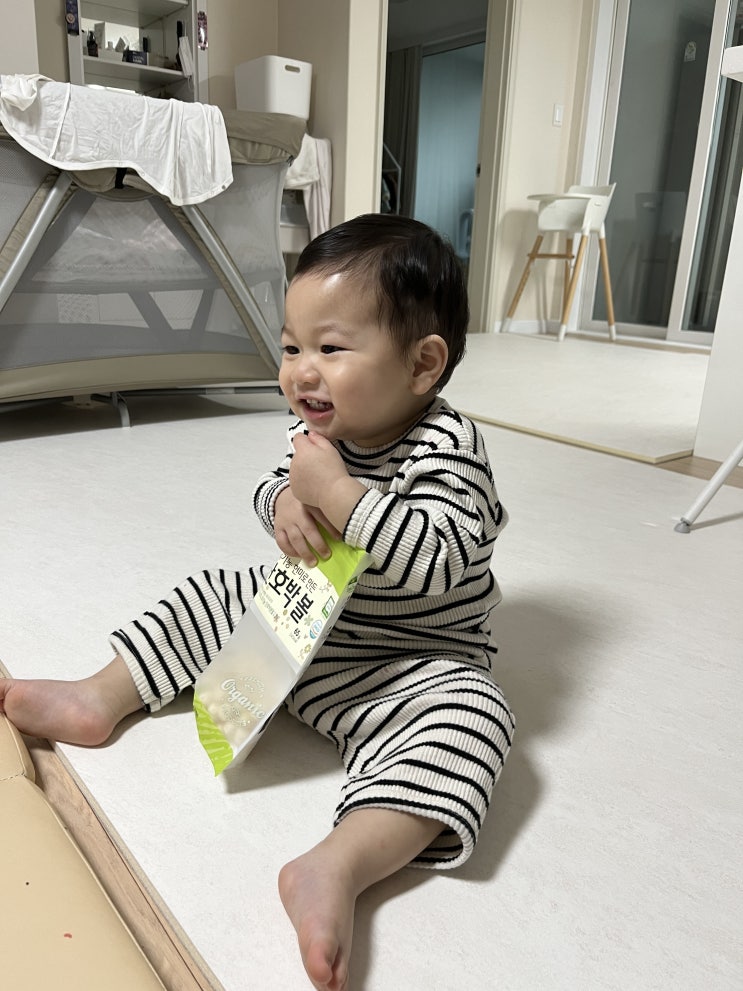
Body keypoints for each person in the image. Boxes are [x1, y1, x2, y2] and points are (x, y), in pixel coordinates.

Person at [0, 214, 515, 991]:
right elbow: (274, 484)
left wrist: (338, 495)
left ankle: (337, 864)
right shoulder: (318, 430)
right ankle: (100, 694)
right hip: (297, 633)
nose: (301, 372)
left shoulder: (450, 452)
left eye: (330, 349)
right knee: (216, 591)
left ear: (422, 364)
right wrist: (285, 502)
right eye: (290, 347)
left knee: (477, 716)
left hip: (407, 667)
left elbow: (435, 560)